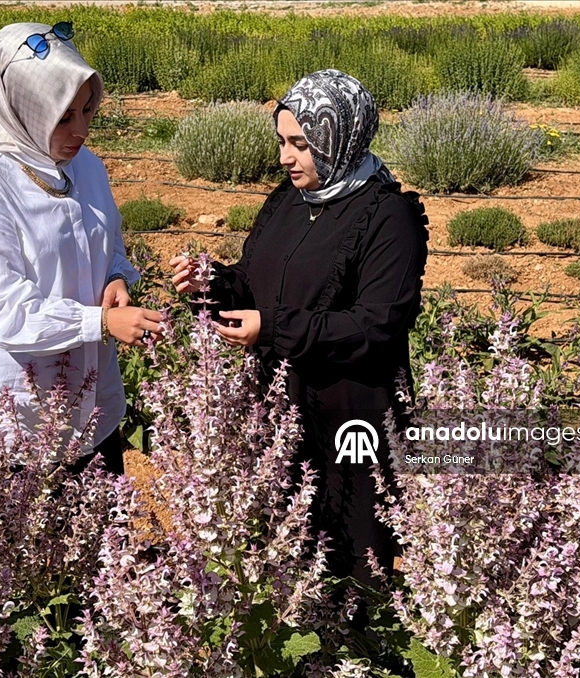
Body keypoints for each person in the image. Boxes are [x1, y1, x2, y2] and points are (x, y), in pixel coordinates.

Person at [170, 70, 429, 587]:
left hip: (350, 413)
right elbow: (254, 280)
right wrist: (214, 281)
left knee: (351, 551)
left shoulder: (388, 218)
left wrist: (274, 328)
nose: (286, 157)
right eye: (282, 142)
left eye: (301, 144)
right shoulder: (289, 200)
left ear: (341, 138)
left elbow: (377, 325)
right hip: (279, 404)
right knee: (282, 539)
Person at [0, 22, 163, 474]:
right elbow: (4, 312)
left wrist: (116, 277)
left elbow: (108, 241)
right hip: (18, 419)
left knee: (100, 538)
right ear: (25, 109)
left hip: (91, 407)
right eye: (64, 116)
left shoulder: (86, 168)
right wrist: (100, 321)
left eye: (87, 110)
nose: (80, 129)